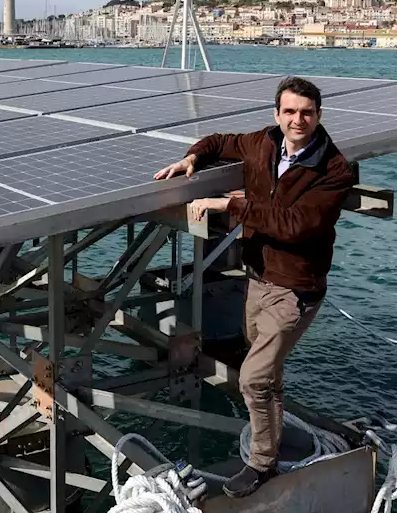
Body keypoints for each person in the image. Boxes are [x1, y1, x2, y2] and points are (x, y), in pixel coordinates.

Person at [153, 76, 357, 498]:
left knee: (253, 378)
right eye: (289, 112)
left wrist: (231, 203)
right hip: (257, 279)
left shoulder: (334, 170)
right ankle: (275, 437)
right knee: (266, 374)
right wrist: (191, 158)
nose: (297, 120)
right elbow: (218, 141)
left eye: (306, 112)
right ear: (276, 114)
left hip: (295, 289)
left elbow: (298, 226)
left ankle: (262, 464)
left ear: (319, 116)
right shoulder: (262, 143)